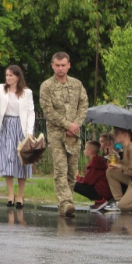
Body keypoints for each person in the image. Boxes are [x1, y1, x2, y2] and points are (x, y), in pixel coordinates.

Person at [39, 52, 88, 218]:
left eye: (63, 65)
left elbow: (83, 105)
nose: (60, 68)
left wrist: (76, 125)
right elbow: (48, 111)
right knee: (60, 169)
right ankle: (67, 202)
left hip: (73, 134)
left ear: (69, 65)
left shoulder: (77, 84)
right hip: (56, 134)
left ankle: (65, 204)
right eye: (57, 65)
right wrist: (67, 124)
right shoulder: (47, 86)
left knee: (71, 172)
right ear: (52, 66)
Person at [0, 64, 36, 209]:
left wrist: (29, 132)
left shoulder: (27, 92)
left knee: (22, 160)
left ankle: (20, 195)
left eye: (11, 75)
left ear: (18, 76)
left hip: (21, 127)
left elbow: (31, 112)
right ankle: (10, 193)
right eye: (7, 75)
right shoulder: (1, 88)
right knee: (7, 159)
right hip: (6, 126)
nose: (8, 78)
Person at [74, 141, 111, 210]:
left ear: (91, 151)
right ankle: (98, 201)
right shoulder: (97, 161)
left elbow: (87, 181)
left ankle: (100, 200)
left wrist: (77, 177)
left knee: (75, 185)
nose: (84, 151)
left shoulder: (96, 162)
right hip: (104, 190)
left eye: (85, 149)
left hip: (103, 192)